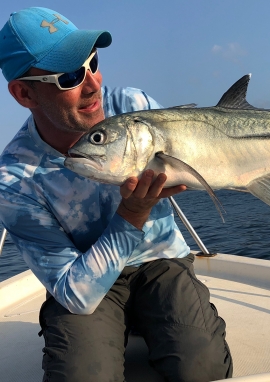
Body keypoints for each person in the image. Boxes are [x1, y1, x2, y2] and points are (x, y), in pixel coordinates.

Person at [0, 7, 232, 382]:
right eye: (69, 76)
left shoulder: (133, 107)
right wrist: (133, 212)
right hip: (86, 279)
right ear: (24, 93)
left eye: (92, 62)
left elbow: (210, 148)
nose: (93, 84)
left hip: (162, 263)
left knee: (201, 367)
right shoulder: (13, 179)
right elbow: (76, 293)